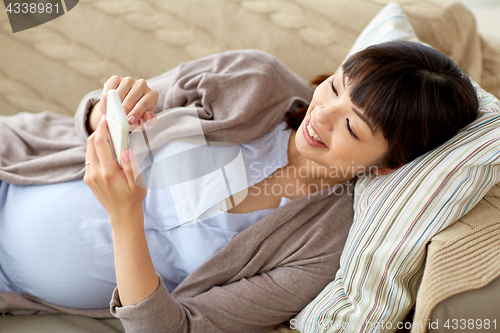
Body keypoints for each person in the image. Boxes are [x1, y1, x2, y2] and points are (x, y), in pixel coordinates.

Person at [0, 41, 478, 333]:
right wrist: (104, 110)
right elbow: (86, 116)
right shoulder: (254, 79)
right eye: (335, 87)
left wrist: (125, 216)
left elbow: (173, 329)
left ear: (390, 166)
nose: (322, 116)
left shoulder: (321, 248)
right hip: (14, 165)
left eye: (353, 128)